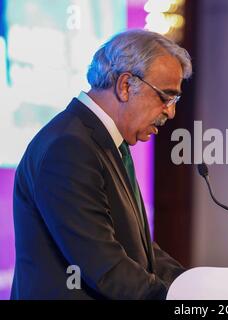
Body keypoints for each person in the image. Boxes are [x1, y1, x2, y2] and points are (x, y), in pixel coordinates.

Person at [11, 29, 192, 299]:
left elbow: (140, 252)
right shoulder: (69, 147)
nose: (171, 111)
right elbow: (106, 269)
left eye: (174, 100)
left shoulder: (103, 140)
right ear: (125, 85)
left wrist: (199, 285)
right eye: (165, 97)